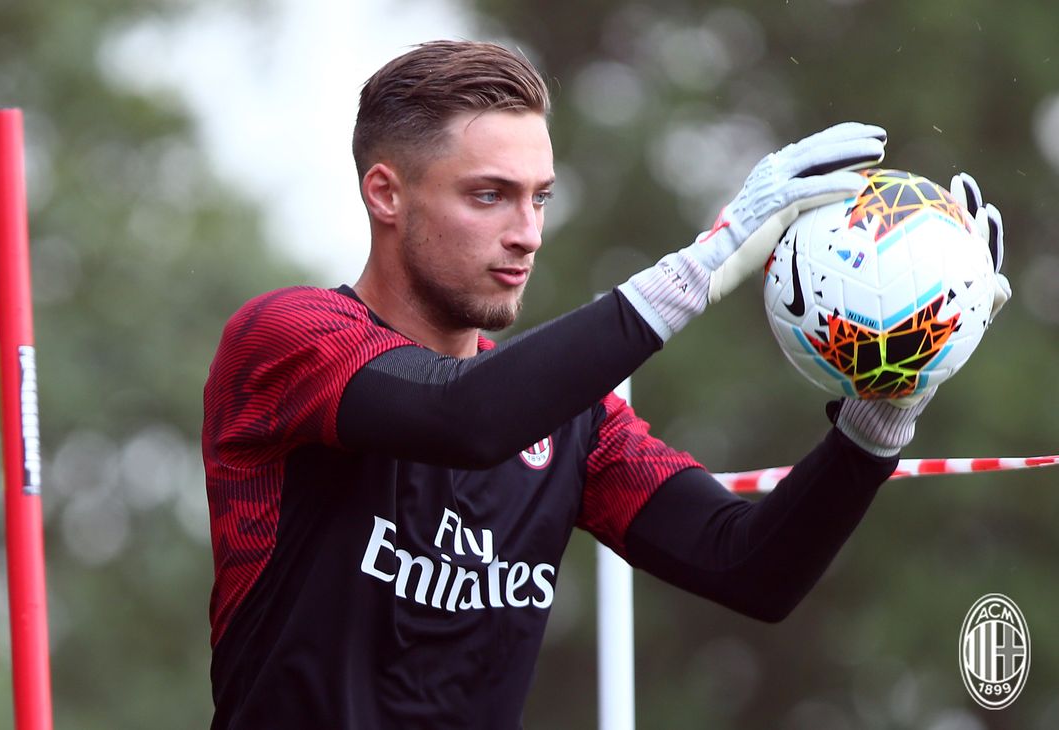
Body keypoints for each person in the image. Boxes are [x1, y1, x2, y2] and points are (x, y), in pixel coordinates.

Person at [201, 40, 1010, 729]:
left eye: (540, 198)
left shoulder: (576, 427)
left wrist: (882, 414)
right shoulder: (286, 341)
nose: (527, 234)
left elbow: (750, 568)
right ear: (386, 194)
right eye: (489, 196)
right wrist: (707, 263)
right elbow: (464, 415)